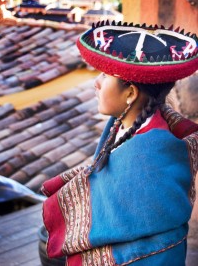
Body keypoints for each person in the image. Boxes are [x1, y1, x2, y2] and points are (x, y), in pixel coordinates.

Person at [41, 21, 198, 265]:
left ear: (131, 93)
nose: (96, 83)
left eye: (105, 76)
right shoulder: (122, 126)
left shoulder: (148, 155)